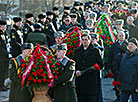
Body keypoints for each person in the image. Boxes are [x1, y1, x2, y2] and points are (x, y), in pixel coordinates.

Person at [74, 33, 103, 102]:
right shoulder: (77, 51)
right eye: (83, 40)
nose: (84, 41)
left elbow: (100, 65)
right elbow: (74, 63)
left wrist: (89, 70)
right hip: (80, 81)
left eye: (86, 40)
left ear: (90, 40)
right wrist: (76, 71)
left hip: (91, 81)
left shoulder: (95, 51)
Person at [119, 38, 138, 102]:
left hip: (134, 86)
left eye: (132, 44)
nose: (129, 46)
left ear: (136, 46)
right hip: (125, 85)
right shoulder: (125, 56)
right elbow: (121, 69)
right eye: (129, 44)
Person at [0, 20, 9, 91]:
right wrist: (5, 52)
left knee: (3, 71)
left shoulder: (4, 33)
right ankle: (1, 86)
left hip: (4, 56)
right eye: (4, 26)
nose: (5, 27)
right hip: (1, 56)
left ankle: (2, 85)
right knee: (1, 71)